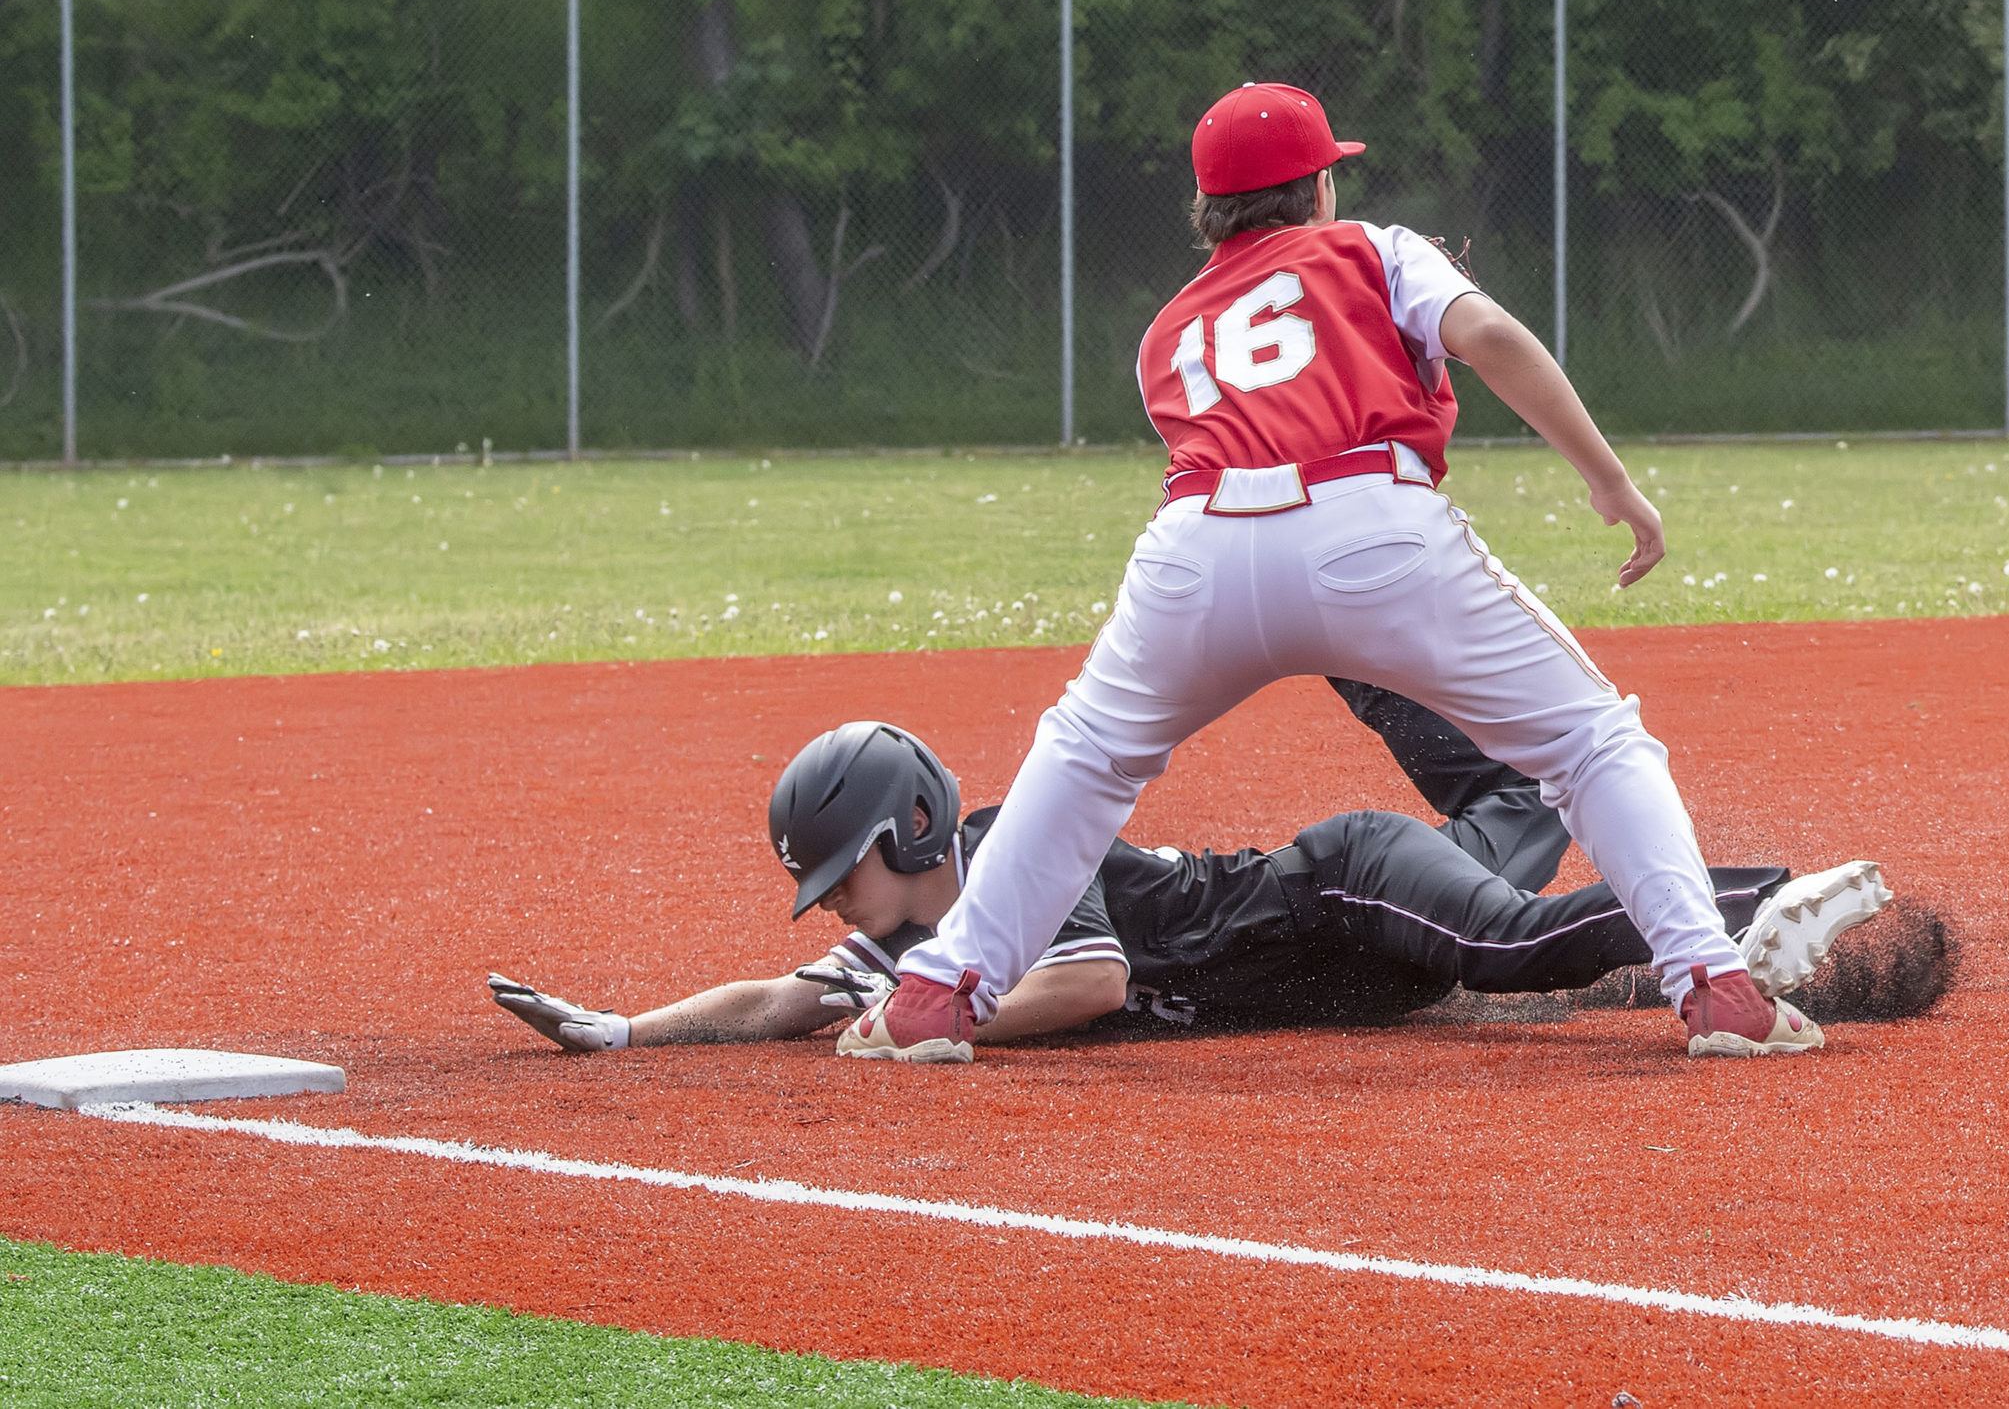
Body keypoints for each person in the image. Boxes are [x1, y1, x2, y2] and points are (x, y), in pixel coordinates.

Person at [857, 82, 1800, 1065]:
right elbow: (1490, 338)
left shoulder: (1166, 331)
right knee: (1591, 740)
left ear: (1209, 211)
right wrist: (1607, 481)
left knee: (1085, 757)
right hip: (1370, 526)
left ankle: (935, 993)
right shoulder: (1376, 246)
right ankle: (1711, 981)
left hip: (1199, 546)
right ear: (1317, 191)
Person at [489, 683, 1925, 1055]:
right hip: (1358, 966)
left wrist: (932, 1022)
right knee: (1502, 818)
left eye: (841, 879)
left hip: (1336, 889)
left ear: (912, 835)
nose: (835, 915)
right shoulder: (920, 936)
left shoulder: (1003, 849)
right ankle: (1378, 652)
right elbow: (774, 1002)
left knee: (1511, 940)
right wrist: (621, 1028)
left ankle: (1749, 912)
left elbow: (1094, 977)